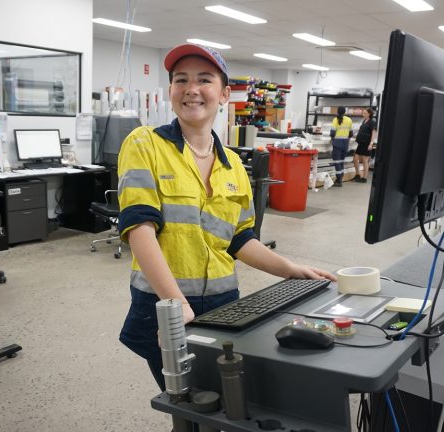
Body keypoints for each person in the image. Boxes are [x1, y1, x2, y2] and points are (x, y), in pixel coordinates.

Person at [116, 43, 336, 391]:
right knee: (188, 403)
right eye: (180, 80)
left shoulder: (233, 164)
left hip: (224, 303)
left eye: (204, 79)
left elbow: (239, 239)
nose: (191, 89)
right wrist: (176, 305)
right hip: (164, 304)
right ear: (171, 90)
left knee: (228, 400)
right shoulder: (145, 144)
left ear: (224, 94)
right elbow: (139, 230)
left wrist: (290, 269)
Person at [352, 108, 377, 183]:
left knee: (365, 161)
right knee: (355, 159)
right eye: (363, 113)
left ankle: (364, 178)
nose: (364, 114)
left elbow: (373, 133)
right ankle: (358, 174)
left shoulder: (372, 122)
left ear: (369, 114)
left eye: (365, 113)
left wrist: (371, 143)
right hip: (361, 143)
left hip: (367, 143)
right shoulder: (364, 121)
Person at [330, 107, 353, 187]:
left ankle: (339, 180)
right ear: (345, 112)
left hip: (337, 143)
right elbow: (351, 133)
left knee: (337, 162)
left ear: (337, 112)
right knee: (341, 161)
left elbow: (332, 133)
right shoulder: (349, 120)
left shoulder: (335, 120)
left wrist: (332, 140)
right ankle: (340, 178)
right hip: (345, 143)